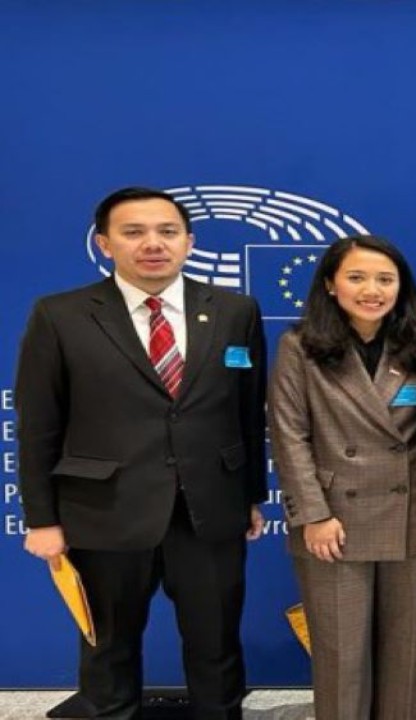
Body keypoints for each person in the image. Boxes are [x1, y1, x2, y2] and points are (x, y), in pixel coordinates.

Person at [16, 186, 268, 719]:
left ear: (189, 242)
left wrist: (250, 496)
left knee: (217, 644)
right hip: (103, 512)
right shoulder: (59, 316)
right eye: (134, 232)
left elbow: (247, 411)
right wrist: (41, 518)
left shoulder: (233, 311)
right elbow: (38, 425)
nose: (153, 244)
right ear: (105, 244)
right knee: (107, 648)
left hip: (210, 510)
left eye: (167, 231)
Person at [269, 235, 416, 719]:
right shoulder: (299, 346)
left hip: (412, 513)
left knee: (412, 651)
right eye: (357, 277)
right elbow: (289, 434)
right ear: (330, 284)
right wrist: (314, 515)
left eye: (386, 279)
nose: (373, 289)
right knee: (341, 652)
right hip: (334, 520)